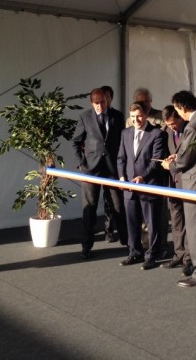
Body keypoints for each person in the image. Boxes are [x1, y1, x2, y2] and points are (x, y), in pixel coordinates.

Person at [162, 90, 196, 287]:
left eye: (178, 109)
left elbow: (185, 159)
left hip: (194, 182)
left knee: (195, 229)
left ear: (182, 107)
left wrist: (171, 165)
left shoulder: (193, 126)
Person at [72, 88, 127, 259]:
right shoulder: (85, 117)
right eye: (96, 103)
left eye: (102, 102)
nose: (100, 106)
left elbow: (122, 141)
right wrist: (82, 163)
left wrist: (122, 166)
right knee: (89, 209)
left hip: (112, 170)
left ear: (107, 100)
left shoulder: (118, 116)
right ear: (91, 103)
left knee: (119, 206)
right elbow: (76, 141)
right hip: (91, 170)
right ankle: (86, 246)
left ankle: (127, 242)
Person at [117, 102, 167, 270]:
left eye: (139, 116)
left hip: (149, 186)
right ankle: (134, 252)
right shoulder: (125, 133)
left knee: (152, 223)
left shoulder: (157, 134)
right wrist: (122, 177)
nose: (136, 120)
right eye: (132, 117)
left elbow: (156, 160)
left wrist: (143, 177)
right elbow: (121, 158)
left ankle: (152, 255)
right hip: (129, 187)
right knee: (131, 222)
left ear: (145, 115)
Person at [160, 105, 192, 276]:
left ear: (179, 117)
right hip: (173, 182)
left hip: (187, 184)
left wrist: (173, 163)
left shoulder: (190, 130)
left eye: (173, 123)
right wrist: (170, 159)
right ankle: (178, 254)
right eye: (168, 124)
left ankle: (188, 259)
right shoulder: (169, 132)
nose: (171, 127)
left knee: (188, 222)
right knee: (177, 221)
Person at [100, 85, 120, 242]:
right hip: (96, 165)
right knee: (103, 199)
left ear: (111, 98)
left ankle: (115, 228)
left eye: (107, 96)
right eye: (102, 96)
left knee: (114, 199)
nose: (104, 100)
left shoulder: (117, 116)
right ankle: (107, 229)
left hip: (113, 164)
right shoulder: (92, 116)